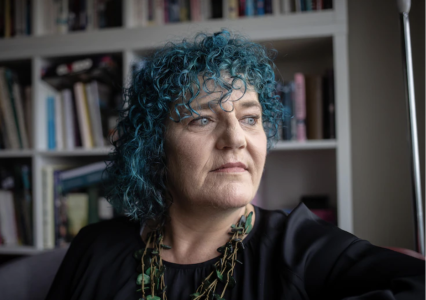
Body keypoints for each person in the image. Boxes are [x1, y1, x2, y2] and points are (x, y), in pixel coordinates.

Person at [45, 30, 425, 300]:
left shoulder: (301, 248)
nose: (236, 138)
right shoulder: (93, 249)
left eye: (249, 118)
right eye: (202, 119)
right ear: (154, 146)